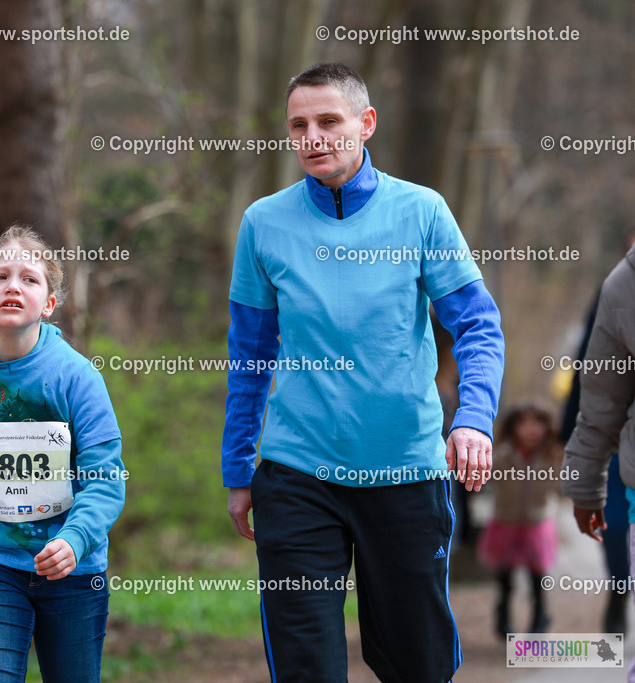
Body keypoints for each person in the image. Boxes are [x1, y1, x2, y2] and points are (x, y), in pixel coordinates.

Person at [222, 62, 505, 682]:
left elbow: (479, 327)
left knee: (417, 664)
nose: (313, 137)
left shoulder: (422, 212)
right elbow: (249, 356)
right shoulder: (263, 223)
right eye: (299, 126)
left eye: (329, 121)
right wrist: (238, 468)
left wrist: (474, 419)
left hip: (405, 470)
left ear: (366, 123)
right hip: (298, 475)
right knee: (307, 666)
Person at [0, 225, 125, 682]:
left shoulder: (78, 378)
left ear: (49, 304)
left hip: (74, 568)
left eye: (29, 279)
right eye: (0, 277)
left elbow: (106, 480)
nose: (13, 286)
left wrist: (74, 540)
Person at [562, 243, 635, 674]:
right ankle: (619, 589)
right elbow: (598, 389)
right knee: (615, 532)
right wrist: (584, 480)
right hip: (624, 453)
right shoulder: (623, 285)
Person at [476, 402, 561, 636]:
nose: (531, 429)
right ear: (513, 427)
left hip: (537, 525)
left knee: (537, 577)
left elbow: (564, 487)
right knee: (504, 576)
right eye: (524, 423)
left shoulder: (554, 455)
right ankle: (503, 614)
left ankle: (540, 616)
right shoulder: (501, 454)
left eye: (537, 423)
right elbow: (485, 476)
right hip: (505, 523)